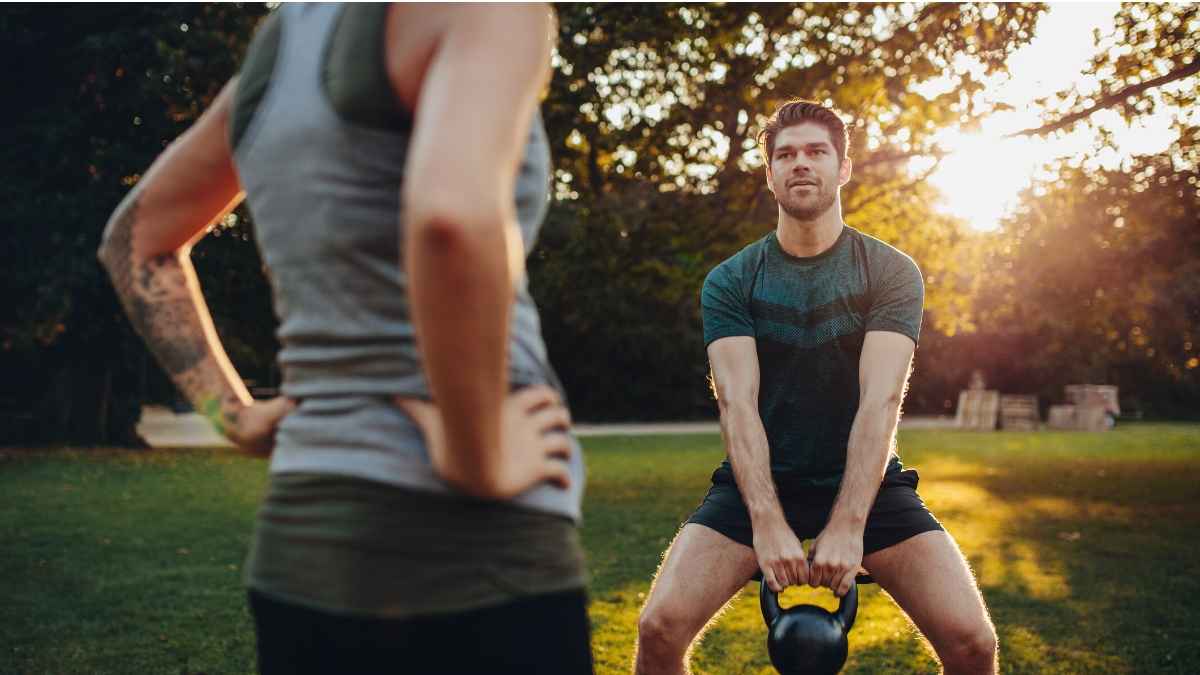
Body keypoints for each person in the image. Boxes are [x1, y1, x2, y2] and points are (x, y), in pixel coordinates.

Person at [98, 4, 592, 674]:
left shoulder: (279, 49)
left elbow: (134, 242)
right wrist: (479, 457)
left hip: (298, 544)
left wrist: (233, 416)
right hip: (470, 549)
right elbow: (451, 218)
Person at [633, 100, 998, 674]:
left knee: (972, 642)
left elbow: (881, 400)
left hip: (866, 483)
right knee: (659, 629)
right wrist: (766, 521)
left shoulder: (889, 271)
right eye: (786, 154)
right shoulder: (731, 280)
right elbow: (737, 403)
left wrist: (851, 524)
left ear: (843, 168)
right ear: (771, 174)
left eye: (816, 152)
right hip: (756, 482)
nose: (800, 164)